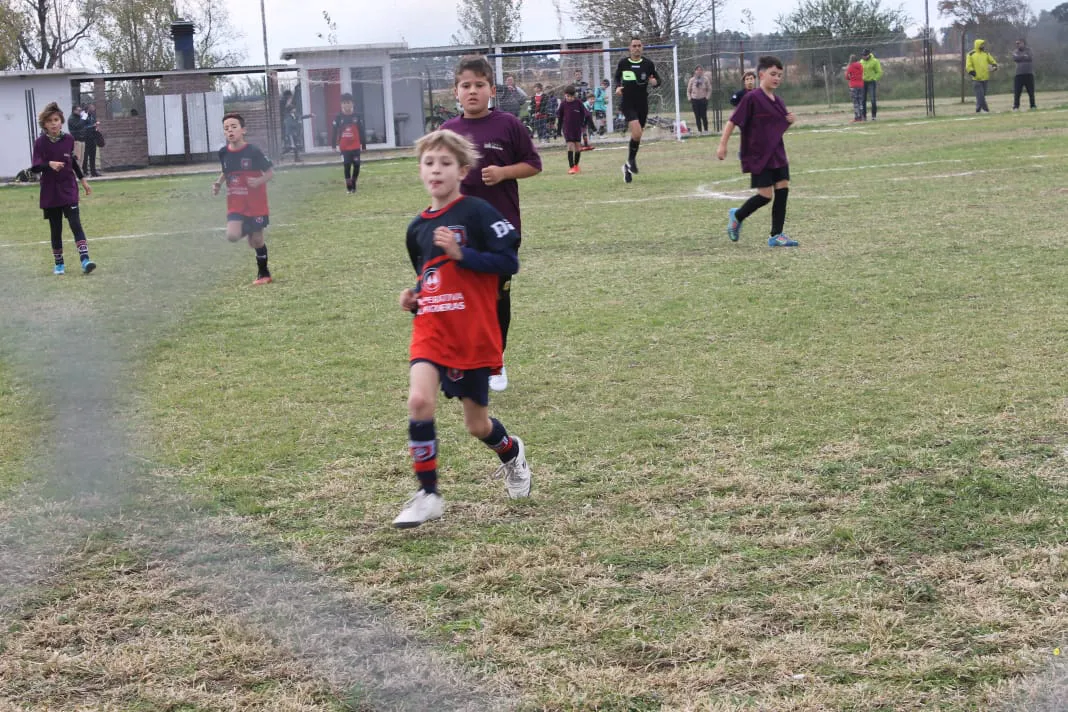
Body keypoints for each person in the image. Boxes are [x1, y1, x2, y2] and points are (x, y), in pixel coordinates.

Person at [393, 128, 532, 528]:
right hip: (432, 329)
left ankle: (511, 452)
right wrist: (414, 296)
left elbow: (509, 263)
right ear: (420, 170)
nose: (436, 170)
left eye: (445, 163)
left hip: (471, 331)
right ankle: (428, 494)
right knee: (419, 402)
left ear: (463, 170)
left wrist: (463, 254)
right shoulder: (416, 228)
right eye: (429, 163)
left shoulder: (477, 213)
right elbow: (430, 277)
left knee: (477, 425)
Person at [441, 56, 542, 393]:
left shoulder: (509, 125)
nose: (473, 91)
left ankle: (496, 360)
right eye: (466, 86)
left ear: (491, 90)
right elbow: (438, 177)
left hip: (502, 230)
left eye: (479, 85)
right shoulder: (448, 132)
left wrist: (503, 173)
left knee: (497, 298)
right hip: (461, 233)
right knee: (463, 298)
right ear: (456, 92)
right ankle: (468, 361)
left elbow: (533, 164)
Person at [716, 55, 799, 248]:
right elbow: (733, 121)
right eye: (773, 74)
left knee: (783, 188)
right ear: (761, 74)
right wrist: (722, 144)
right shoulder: (752, 98)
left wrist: (789, 121)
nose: (777, 78)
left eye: (779, 75)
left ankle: (777, 235)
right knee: (765, 195)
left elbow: (776, 126)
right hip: (758, 154)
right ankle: (737, 215)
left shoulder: (778, 101)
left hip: (777, 152)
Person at [31, 102, 96, 275]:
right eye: (50, 121)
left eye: (56, 120)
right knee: (56, 228)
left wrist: (83, 180)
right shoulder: (40, 143)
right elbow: (35, 167)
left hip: (68, 189)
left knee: (75, 224)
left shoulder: (69, 139)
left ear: (61, 122)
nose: (54, 123)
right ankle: (59, 263)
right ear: (44, 124)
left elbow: (73, 161)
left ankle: (85, 260)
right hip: (50, 192)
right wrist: (49, 164)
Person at [212, 113, 275, 285]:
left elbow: (269, 172)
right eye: (226, 128)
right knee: (232, 235)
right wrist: (218, 183)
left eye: (234, 127)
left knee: (257, 241)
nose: (230, 131)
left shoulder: (253, 151)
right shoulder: (223, 153)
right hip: (236, 204)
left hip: (256, 204)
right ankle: (247, 229)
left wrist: (258, 181)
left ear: (243, 130)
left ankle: (264, 274)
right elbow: (227, 171)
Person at [615, 36, 660, 183]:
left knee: (638, 136)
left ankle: (628, 164)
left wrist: (655, 82)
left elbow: (657, 80)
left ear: (642, 47)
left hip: (642, 103)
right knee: (637, 131)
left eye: (639, 45)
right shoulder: (623, 63)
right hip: (628, 102)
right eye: (634, 46)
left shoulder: (648, 64)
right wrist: (618, 87)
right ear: (630, 48)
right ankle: (631, 162)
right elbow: (617, 78)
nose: (636, 48)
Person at [331, 93, 364, 194]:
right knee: (347, 165)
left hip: (355, 146)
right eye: (344, 103)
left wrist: (364, 144)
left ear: (352, 104)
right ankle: (349, 187)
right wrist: (333, 145)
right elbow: (334, 131)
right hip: (344, 147)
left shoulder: (357, 116)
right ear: (341, 105)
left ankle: (353, 181)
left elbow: (361, 130)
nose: (346, 105)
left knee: (357, 165)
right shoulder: (338, 117)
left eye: (348, 103)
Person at [557, 85, 591, 174]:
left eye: (570, 97)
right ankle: (571, 167)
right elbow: (560, 118)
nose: (568, 98)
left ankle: (576, 166)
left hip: (577, 128)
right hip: (567, 129)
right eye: (567, 96)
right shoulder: (563, 104)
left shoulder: (578, 103)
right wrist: (558, 130)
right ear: (565, 95)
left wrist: (584, 123)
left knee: (578, 147)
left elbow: (586, 114)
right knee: (570, 145)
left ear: (574, 96)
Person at [279, 89, 313, 162]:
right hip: (289, 132)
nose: (295, 109)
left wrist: (310, 115)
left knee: (295, 145)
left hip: (293, 132)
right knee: (291, 146)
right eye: (294, 109)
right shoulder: (286, 114)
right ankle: (280, 155)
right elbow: (289, 125)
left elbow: (301, 116)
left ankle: (296, 158)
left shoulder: (294, 114)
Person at [966, 39, 998, 113]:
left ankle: (978, 110)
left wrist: (994, 66)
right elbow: (968, 66)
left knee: (982, 96)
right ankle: (986, 110)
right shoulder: (971, 54)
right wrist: (972, 72)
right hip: (976, 79)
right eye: (982, 44)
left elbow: (992, 61)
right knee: (980, 96)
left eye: (983, 44)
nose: (983, 46)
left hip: (985, 79)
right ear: (978, 45)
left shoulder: (986, 53)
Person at [1011, 38, 1035, 111]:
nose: (1018, 45)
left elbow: (1030, 57)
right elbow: (1015, 58)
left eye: (1019, 43)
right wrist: (1024, 56)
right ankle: (1016, 107)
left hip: (1029, 74)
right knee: (1017, 92)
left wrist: (1022, 57)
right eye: (1017, 44)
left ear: (1024, 43)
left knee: (1031, 91)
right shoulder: (1015, 51)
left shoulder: (1029, 50)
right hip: (1019, 75)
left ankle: (1033, 106)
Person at [687, 65, 711, 135]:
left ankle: (706, 130)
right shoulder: (692, 80)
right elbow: (688, 90)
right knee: (697, 116)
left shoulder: (705, 79)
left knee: (704, 116)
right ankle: (699, 131)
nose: (699, 71)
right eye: (697, 70)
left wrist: (707, 97)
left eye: (700, 70)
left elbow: (709, 89)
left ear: (702, 71)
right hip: (694, 100)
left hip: (703, 99)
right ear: (695, 71)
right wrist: (689, 98)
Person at [859, 50, 882, 121]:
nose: (864, 57)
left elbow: (879, 72)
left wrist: (874, 78)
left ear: (869, 55)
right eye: (863, 55)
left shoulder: (875, 61)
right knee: (863, 100)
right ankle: (864, 116)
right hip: (863, 82)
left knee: (873, 99)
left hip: (871, 82)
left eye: (865, 55)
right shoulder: (861, 62)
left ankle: (873, 115)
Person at [81, 103, 102, 177]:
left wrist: (96, 126)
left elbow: (94, 123)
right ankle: (85, 171)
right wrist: (92, 126)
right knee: (86, 155)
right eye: (92, 107)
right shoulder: (85, 115)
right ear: (88, 108)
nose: (94, 109)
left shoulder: (92, 116)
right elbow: (82, 125)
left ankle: (93, 172)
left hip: (93, 137)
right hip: (86, 138)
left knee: (93, 155)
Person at [845, 55, 865, 122]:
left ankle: (857, 117)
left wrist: (851, 78)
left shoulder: (850, 67)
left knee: (855, 103)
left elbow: (847, 76)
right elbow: (862, 73)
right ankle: (862, 117)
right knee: (860, 102)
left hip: (853, 86)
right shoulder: (861, 66)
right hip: (861, 85)